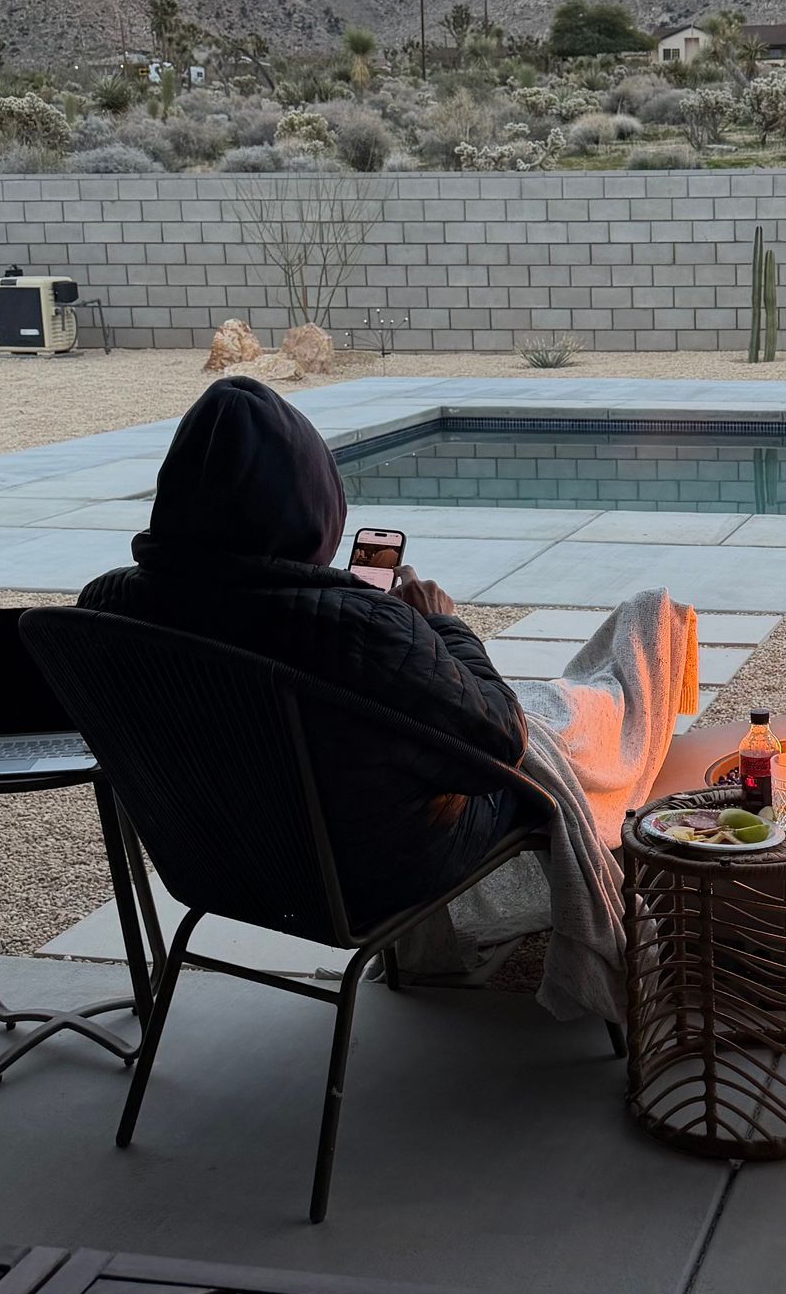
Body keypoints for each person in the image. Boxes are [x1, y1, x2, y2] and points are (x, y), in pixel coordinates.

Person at [77, 374, 534, 907]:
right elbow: (498, 749)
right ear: (311, 498)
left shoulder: (107, 605)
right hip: (370, 876)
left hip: (212, 866)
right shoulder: (356, 630)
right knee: (566, 738)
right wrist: (440, 626)